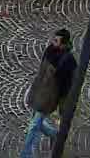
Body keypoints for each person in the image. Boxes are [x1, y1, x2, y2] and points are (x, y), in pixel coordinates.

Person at [21, 29, 76, 157]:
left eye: (56, 40)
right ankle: (54, 134)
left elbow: (66, 87)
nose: (53, 42)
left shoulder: (68, 61)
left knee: (34, 125)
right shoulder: (50, 50)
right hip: (38, 91)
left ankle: (26, 155)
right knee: (36, 123)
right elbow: (41, 71)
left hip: (48, 99)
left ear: (64, 44)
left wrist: (62, 108)